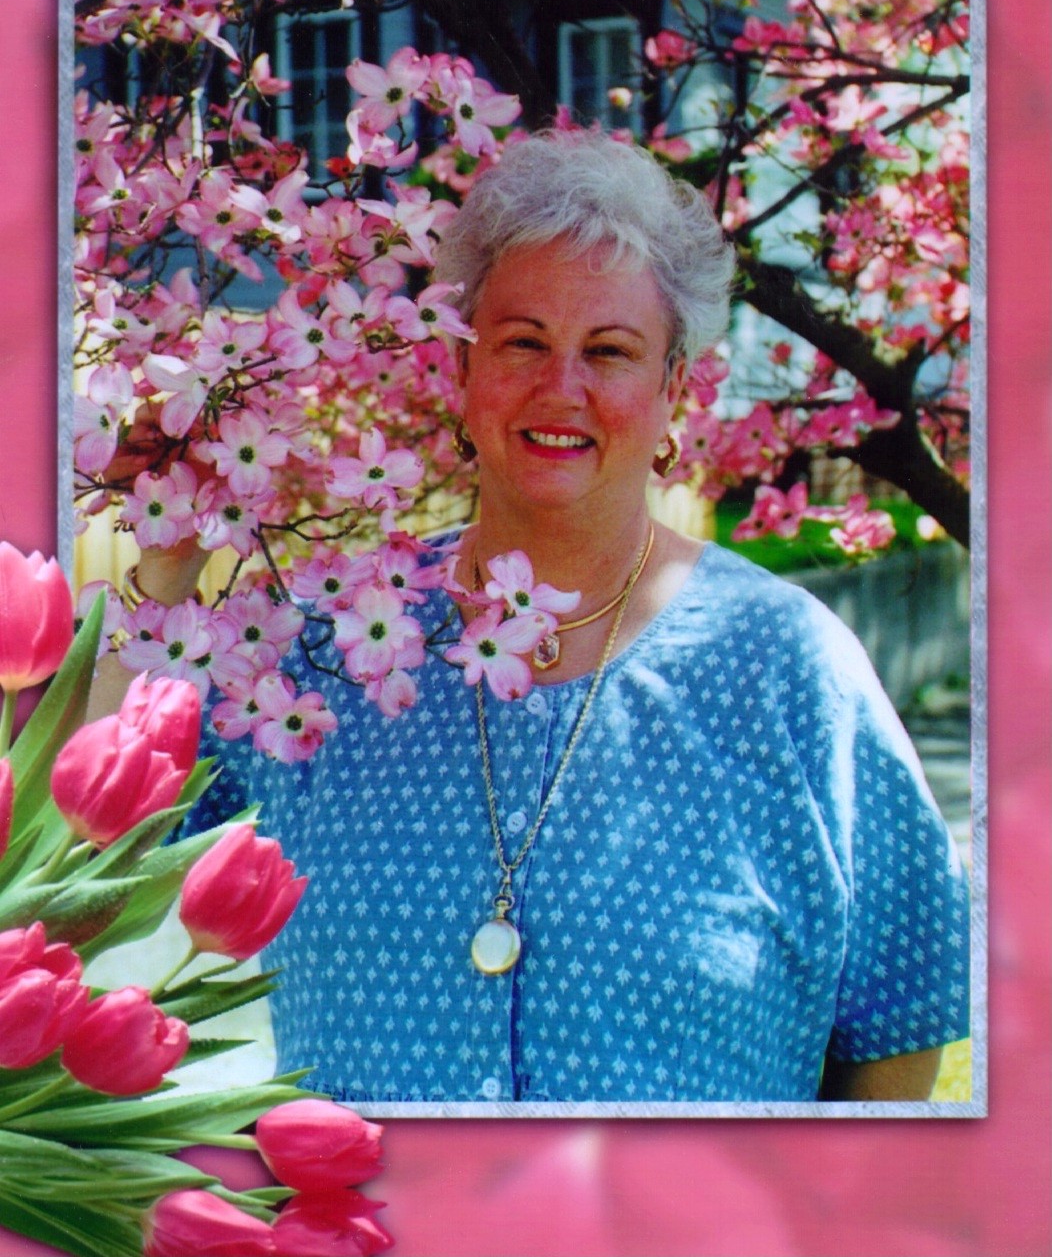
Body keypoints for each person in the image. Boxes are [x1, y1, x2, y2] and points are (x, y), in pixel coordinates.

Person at [99, 130, 970, 1105]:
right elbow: (99, 857)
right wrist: (167, 561)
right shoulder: (324, 643)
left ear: (672, 390)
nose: (562, 388)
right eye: (521, 342)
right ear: (460, 372)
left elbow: (898, 1023)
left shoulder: (787, 667)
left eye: (609, 350)